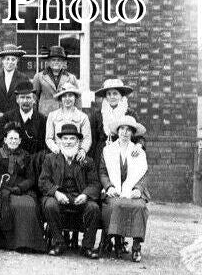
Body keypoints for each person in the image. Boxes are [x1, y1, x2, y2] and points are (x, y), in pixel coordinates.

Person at [39, 123, 102, 258]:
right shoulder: (50, 159)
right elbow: (43, 181)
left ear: (78, 142)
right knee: (49, 204)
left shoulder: (87, 161)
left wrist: (85, 195)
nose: (68, 142)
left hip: (79, 197)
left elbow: (95, 184)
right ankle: (59, 243)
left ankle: (87, 246)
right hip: (59, 197)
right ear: (60, 141)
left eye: (72, 139)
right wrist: (56, 192)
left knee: (94, 208)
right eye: (65, 139)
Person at [0, 123, 46, 252]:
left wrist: (20, 188)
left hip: (20, 190)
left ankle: (26, 243)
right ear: (5, 140)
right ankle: (0, 242)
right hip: (2, 190)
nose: (13, 141)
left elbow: (31, 178)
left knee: (28, 205)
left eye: (16, 139)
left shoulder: (26, 155)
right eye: (10, 138)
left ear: (20, 141)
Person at [100, 116, 149, 262]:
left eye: (129, 130)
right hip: (114, 191)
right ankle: (115, 242)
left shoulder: (138, 151)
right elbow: (102, 172)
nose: (125, 132)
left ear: (133, 133)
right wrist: (109, 186)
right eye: (122, 129)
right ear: (117, 131)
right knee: (115, 205)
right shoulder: (108, 150)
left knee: (140, 207)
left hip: (132, 191)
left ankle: (136, 247)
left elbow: (144, 174)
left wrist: (138, 189)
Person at [0, 81, 46, 157]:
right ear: (17, 100)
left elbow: (43, 145)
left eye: (28, 98)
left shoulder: (42, 119)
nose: (25, 101)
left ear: (34, 100)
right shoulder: (7, 117)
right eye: (22, 97)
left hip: (33, 161)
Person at [44, 83, 92, 155]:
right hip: (57, 154)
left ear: (75, 97)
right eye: (64, 96)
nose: (67, 99)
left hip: (76, 153)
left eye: (70, 95)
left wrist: (82, 150)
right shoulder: (52, 116)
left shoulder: (83, 117)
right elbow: (49, 138)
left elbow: (87, 138)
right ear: (60, 98)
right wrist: (56, 149)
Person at [33, 45, 77, 118]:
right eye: (53, 60)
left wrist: (77, 116)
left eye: (59, 60)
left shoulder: (71, 78)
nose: (56, 62)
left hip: (65, 115)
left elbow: (77, 99)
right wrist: (35, 116)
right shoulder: (39, 77)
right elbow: (34, 98)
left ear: (63, 62)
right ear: (48, 62)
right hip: (45, 115)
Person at [0, 44, 31, 119]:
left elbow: (27, 99)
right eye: (7, 59)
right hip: (0, 119)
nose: (10, 62)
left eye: (13, 59)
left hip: (18, 118)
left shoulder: (23, 78)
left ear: (17, 61)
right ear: (2, 60)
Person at [93, 78, 134, 151]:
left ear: (121, 95)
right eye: (109, 94)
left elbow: (138, 136)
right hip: (103, 150)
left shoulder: (129, 113)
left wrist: (139, 145)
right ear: (106, 97)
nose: (112, 97)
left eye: (115, 93)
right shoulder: (98, 114)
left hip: (123, 150)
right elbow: (94, 138)